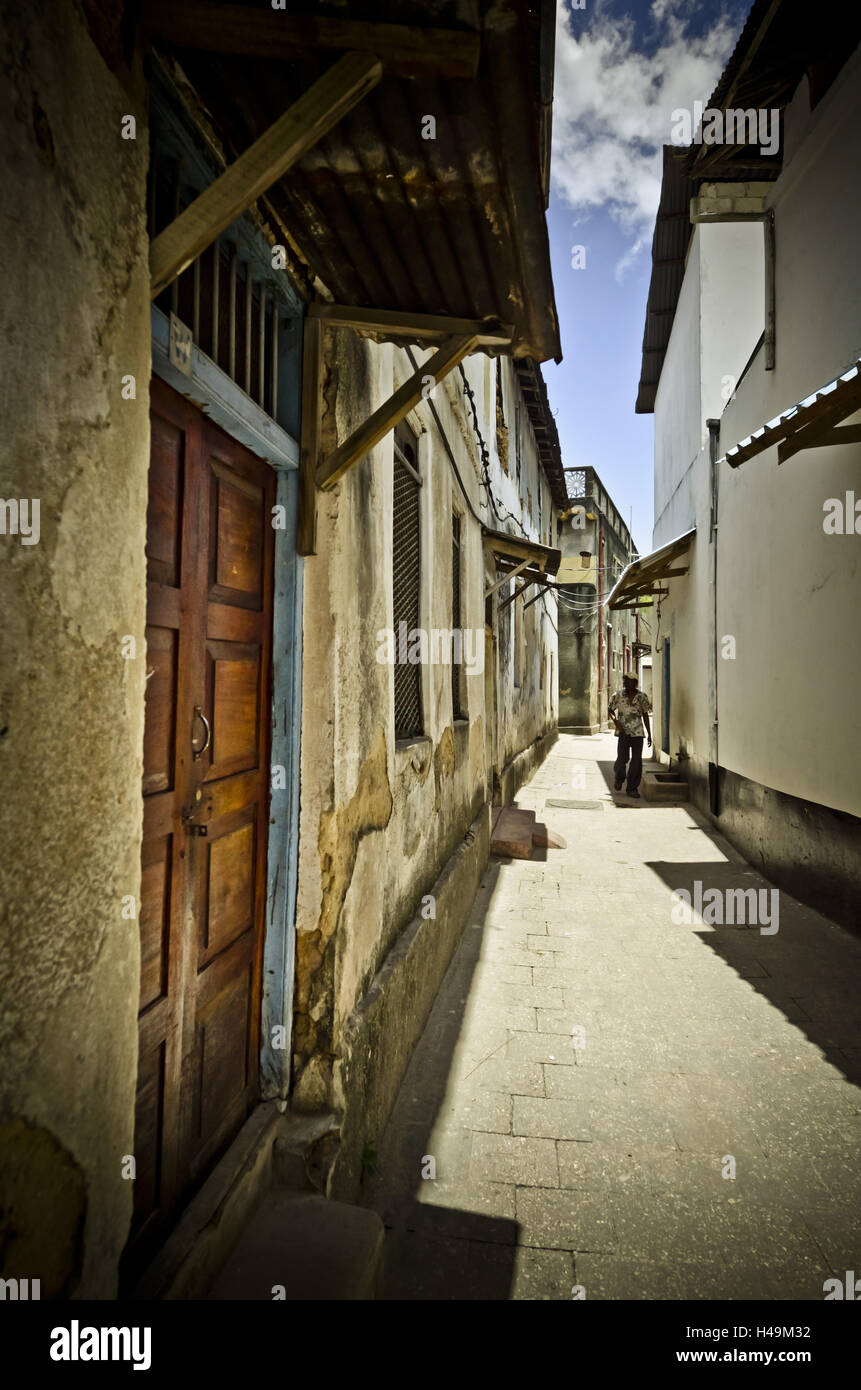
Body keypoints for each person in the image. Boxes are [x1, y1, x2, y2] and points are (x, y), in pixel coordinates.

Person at [608, 673, 652, 798]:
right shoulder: (617, 696)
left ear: (635, 683)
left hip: (638, 733)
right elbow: (610, 710)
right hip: (623, 733)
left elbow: (645, 715)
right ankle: (619, 777)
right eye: (625, 682)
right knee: (622, 759)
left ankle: (632, 788)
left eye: (629, 682)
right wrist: (616, 722)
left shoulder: (642, 697)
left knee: (636, 761)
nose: (627, 684)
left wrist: (649, 734)